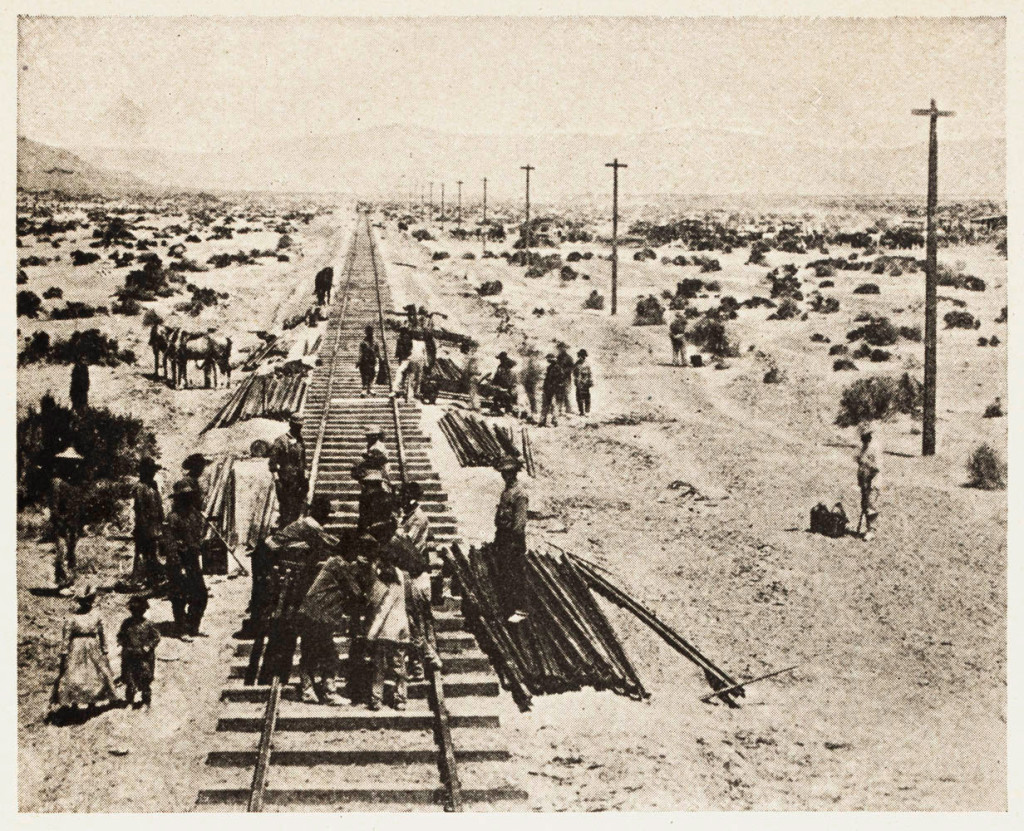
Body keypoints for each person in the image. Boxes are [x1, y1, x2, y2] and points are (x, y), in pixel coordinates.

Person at [298, 528, 368, 705]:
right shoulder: (340, 565)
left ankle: (307, 691)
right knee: (329, 654)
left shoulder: (333, 562)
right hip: (321, 614)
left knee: (309, 653)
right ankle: (329, 692)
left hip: (308, 612)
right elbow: (356, 592)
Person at [394, 481, 442, 680]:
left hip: (415, 575)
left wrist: (394, 529)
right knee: (414, 621)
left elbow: (406, 542)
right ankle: (420, 663)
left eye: (404, 497)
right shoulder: (409, 516)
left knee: (415, 621)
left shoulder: (418, 518)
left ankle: (424, 663)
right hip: (411, 573)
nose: (401, 500)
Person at [50, 584, 119, 719]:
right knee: (74, 674)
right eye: (84, 601)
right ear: (79, 602)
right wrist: (64, 651)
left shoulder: (97, 615)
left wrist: (104, 648)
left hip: (93, 646)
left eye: (90, 600)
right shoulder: (72, 617)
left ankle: (92, 703)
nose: (88, 604)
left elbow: (102, 632)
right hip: (76, 648)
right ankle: (74, 702)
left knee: (96, 673)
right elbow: (67, 635)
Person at [365, 548, 411, 711]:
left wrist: (370, 636)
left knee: (379, 667)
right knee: (399, 666)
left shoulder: (384, 585)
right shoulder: (401, 577)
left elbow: (381, 613)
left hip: (385, 632)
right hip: (402, 629)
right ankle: (401, 698)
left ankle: (376, 699)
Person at [163, 479, 208, 640]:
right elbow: (169, 543)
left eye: (190, 495)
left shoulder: (195, 515)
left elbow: (199, 536)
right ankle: (181, 629)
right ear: (178, 498)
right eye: (184, 496)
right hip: (178, 561)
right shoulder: (173, 517)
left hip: (192, 559)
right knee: (179, 595)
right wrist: (177, 563)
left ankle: (193, 625)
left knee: (201, 594)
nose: (188, 498)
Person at [493, 457, 529, 623]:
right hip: (502, 537)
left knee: (514, 574)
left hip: (512, 540)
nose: (505, 476)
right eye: (503, 473)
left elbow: (519, 523)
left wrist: (513, 542)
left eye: (508, 473)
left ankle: (520, 611)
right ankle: (507, 609)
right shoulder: (506, 492)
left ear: (514, 473)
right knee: (503, 574)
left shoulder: (520, 494)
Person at [50, 447, 86, 594]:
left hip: (73, 525)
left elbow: (79, 506)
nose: (73, 466)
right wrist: (60, 521)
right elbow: (54, 506)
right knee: (62, 552)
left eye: (74, 463)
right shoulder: (57, 482)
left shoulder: (75, 484)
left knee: (72, 553)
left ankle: (70, 582)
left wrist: (80, 524)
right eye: (68, 463)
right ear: (62, 463)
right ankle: (62, 583)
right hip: (62, 525)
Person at [117, 595, 160, 708]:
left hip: (144, 656)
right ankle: (129, 701)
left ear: (144, 610)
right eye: (133, 611)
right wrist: (123, 643)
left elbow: (156, 637)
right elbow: (121, 636)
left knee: (145, 678)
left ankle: (146, 701)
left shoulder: (148, 624)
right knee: (129, 678)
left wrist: (149, 646)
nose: (136, 613)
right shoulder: (126, 623)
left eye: (139, 611)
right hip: (130, 654)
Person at [269, 414, 308, 528]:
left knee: (297, 508)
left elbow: (303, 460)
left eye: (300, 426)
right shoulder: (281, 441)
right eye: (296, 426)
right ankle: (285, 535)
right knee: (286, 509)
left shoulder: (300, 440)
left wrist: (305, 476)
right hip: (285, 481)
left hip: (299, 480)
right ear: (291, 425)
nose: (299, 429)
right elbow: (272, 463)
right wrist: (277, 481)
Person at [132, 456, 165, 590]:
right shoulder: (139, 487)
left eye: (153, 471)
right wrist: (144, 528)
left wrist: (162, 521)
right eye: (149, 471)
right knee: (145, 552)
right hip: (145, 526)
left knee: (153, 552)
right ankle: (142, 579)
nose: (152, 473)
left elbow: (159, 505)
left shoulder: (154, 485)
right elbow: (140, 509)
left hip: (156, 524)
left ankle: (153, 577)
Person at [855, 422, 881, 541]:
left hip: (873, 481)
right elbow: (858, 461)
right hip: (864, 481)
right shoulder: (862, 448)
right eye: (863, 436)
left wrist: (866, 463)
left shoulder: (874, 448)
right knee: (865, 504)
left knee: (871, 504)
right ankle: (868, 528)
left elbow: (877, 468)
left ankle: (872, 530)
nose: (865, 438)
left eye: (867, 435)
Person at [357, 325, 381, 397]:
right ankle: (364, 388)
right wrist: (359, 361)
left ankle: (370, 388)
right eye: (368, 331)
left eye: (371, 331)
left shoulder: (376, 342)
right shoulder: (363, 342)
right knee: (364, 375)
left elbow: (378, 352)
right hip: (364, 361)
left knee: (372, 374)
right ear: (366, 332)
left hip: (372, 361)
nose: (370, 333)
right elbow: (360, 352)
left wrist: (380, 359)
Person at [539, 353, 562, 427]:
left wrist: (552, 386)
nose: (547, 360)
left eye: (549, 358)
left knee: (552, 405)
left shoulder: (557, 368)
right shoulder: (550, 367)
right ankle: (544, 421)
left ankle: (553, 421)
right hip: (549, 389)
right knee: (547, 405)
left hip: (553, 389)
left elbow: (558, 379)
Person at [555, 342, 575, 415]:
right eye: (559, 348)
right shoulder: (557, 358)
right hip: (558, 378)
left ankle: (568, 410)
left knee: (566, 394)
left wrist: (565, 371)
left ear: (565, 348)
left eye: (562, 348)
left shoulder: (569, 358)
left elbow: (572, 368)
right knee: (558, 394)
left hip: (566, 378)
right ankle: (559, 410)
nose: (561, 349)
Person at [573, 349, 593, 416]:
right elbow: (574, 373)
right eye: (580, 356)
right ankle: (581, 411)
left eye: (583, 356)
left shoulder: (587, 364)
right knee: (579, 397)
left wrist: (590, 381)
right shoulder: (577, 363)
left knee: (586, 397)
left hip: (585, 382)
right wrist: (576, 380)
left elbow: (590, 373)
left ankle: (587, 411)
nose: (581, 357)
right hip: (579, 382)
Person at [462, 342, 481, 411]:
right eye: (473, 347)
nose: (474, 349)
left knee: (473, 392)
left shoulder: (472, 357)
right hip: (472, 376)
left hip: (472, 376)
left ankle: (475, 406)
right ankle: (473, 406)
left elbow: (470, 368)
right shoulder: (473, 356)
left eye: (474, 347)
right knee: (472, 391)